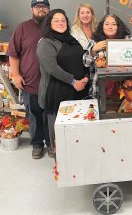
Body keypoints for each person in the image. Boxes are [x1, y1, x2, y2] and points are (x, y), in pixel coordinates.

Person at [37, 9, 89, 157]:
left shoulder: (71, 40)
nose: (60, 23)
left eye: (63, 20)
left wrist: (86, 77)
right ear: (49, 24)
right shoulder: (46, 43)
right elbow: (52, 68)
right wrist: (73, 81)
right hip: (56, 94)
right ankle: (60, 162)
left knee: (76, 132)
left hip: (78, 91)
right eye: (56, 20)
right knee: (58, 134)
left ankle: (76, 158)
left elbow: (83, 59)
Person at [7, 0, 51, 159]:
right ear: (32, 9)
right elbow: (13, 54)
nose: (41, 9)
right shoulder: (22, 28)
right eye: (37, 6)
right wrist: (16, 75)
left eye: (44, 6)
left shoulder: (55, 26)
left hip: (51, 83)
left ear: (49, 8)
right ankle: (37, 144)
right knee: (34, 116)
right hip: (30, 83)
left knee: (50, 115)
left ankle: (51, 143)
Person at [83, 14, 131, 98]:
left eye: (114, 24)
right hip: (99, 88)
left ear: (118, 27)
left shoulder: (126, 40)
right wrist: (93, 50)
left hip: (123, 89)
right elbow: (85, 62)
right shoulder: (95, 41)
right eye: (107, 24)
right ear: (102, 26)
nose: (110, 27)